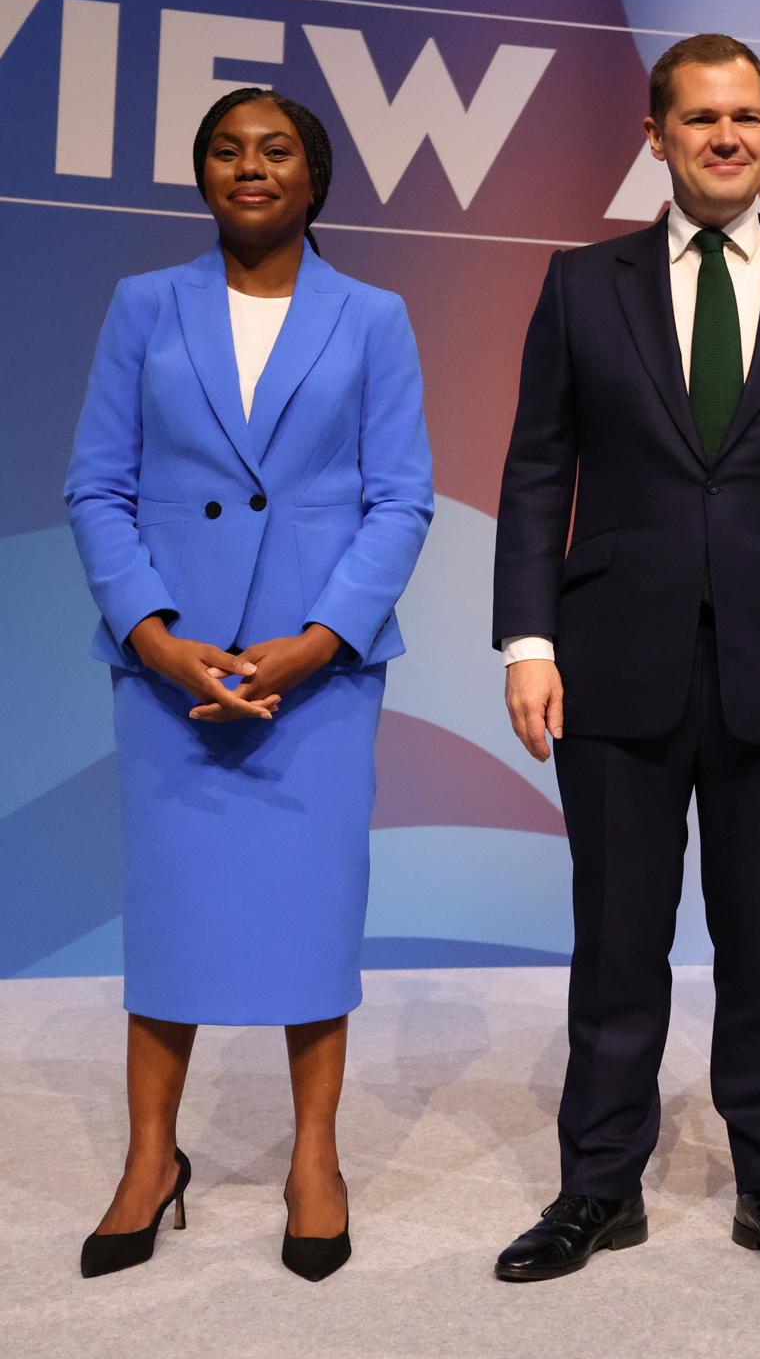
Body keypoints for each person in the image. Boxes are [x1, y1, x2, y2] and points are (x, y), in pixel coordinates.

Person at [490, 33, 760, 1289]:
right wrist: (528, 636)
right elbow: (534, 473)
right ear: (655, 138)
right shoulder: (581, 283)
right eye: (699, 119)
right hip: (612, 657)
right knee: (615, 934)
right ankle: (599, 1182)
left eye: (746, 118)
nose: (725, 137)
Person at [63, 87, 434, 1283]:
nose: (249, 166)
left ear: (314, 178)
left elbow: (401, 497)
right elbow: (96, 487)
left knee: (310, 916)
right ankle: (148, 1158)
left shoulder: (373, 316)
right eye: (226, 150)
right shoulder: (142, 305)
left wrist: (323, 636)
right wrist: (157, 637)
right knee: (169, 914)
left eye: (275, 150)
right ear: (203, 177)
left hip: (314, 676)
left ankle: (312, 1156)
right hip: (171, 670)